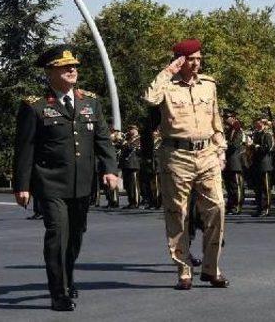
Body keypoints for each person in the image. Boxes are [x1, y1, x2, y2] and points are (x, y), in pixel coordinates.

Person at [13, 45, 118, 311]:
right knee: (57, 234)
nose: (73, 70)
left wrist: (109, 168)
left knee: (76, 236)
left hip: (82, 182)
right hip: (50, 183)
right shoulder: (35, 106)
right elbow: (25, 148)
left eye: (74, 66)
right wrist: (22, 185)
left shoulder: (90, 101)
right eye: (65, 66)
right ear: (50, 72)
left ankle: (68, 276)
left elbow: (103, 139)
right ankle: (58, 293)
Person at [143, 38, 229, 290]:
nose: (196, 63)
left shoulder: (209, 85)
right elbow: (149, 98)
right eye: (191, 59)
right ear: (179, 61)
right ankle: (184, 269)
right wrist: (168, 71)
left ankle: (212, 268)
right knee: (178, 214)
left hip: (207, 154)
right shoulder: (167, 85)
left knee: (217, 209)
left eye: (199, 59)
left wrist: (221, 149)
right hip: (176, 156)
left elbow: (216, 120)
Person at [251, 112, 275, 217]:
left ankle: (267, 208)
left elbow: (268, 148)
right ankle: (259, 208)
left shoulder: (267, 134)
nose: (257, 124)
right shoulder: (257, 134)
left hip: (265, 164)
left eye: (259, 122)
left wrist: (257, 147)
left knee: (266, 188)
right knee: (258, 188)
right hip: (257, 163)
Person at [223, 109, 245, 215]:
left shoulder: (238, 131)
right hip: (227, 161)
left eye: (227, 118)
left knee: (236, 186)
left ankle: (238, 205)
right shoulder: (228, 131)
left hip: (235, 161)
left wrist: (224, 144)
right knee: (229, 186)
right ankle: (230, 205)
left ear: (233, 118)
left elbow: (235, 145)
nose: (225, 120)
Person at [119, 125, 141, 209]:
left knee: (134, 185)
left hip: (133, 164)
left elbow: (132, 147)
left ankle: (135, 202)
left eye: (131, 129)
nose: (129, 131)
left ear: (136, 130)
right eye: (128, 129)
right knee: (128, 185)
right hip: (126, 164)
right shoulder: (128, 139)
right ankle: (130, 201)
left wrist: (125, 143)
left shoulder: (138, 139)